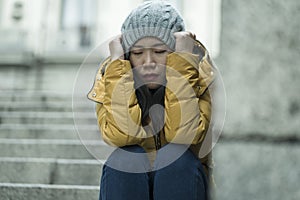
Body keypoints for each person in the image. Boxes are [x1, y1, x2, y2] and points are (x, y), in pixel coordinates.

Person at [88, 1, 216, 199]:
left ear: (176, 51)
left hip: (184, 182)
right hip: (133, 183)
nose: (148, 63)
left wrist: (182, 64)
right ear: (128, 56)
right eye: (138, 53)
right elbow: (121, 135)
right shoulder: (113, 79)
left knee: (176, 157)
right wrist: (117, 66)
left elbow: (183, 135)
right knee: (124, 158)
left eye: (159, 51)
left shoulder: (199, 78)